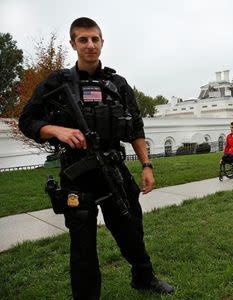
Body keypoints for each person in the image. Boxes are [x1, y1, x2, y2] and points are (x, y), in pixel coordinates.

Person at [18, 17, 173, 299]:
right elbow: (27, 120)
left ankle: (143, 277)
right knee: (83, 245)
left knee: (130, 228)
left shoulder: (117, 84)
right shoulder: (57, 82)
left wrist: (146, 165)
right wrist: (57, 130)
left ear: (102, 42)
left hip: (113, 168)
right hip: (77, 173)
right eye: (83, 40)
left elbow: (136, 126)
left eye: (95, 39)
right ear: (73, 44)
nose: (90, 45)